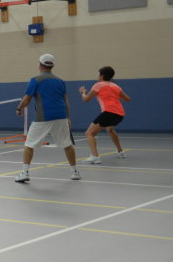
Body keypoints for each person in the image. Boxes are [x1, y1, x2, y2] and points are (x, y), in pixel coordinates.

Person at [14, 54, 81, 183]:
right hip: (61, 116)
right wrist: (68, 118)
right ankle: (75, 172)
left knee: (29, 145)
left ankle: (25, 172)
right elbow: (66, 101)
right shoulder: (61, 81)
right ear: (52, 66)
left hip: (43, 117)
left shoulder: (35, 80)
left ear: (40, 65)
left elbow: (27, 98)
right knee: (67, 144)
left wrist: (18, 108)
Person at [79, 66, 131, 164]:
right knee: (109, 129)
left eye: (98, 74)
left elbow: (86, 99)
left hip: (108, 112)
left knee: (89, 133)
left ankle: (95, 157)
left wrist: (83, 93)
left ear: (102, 76)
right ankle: (121, 152)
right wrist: (114, 97)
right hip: (120, 114)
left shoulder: (98, 85)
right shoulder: (116, 86)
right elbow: (128, 99)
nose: (97, 76)